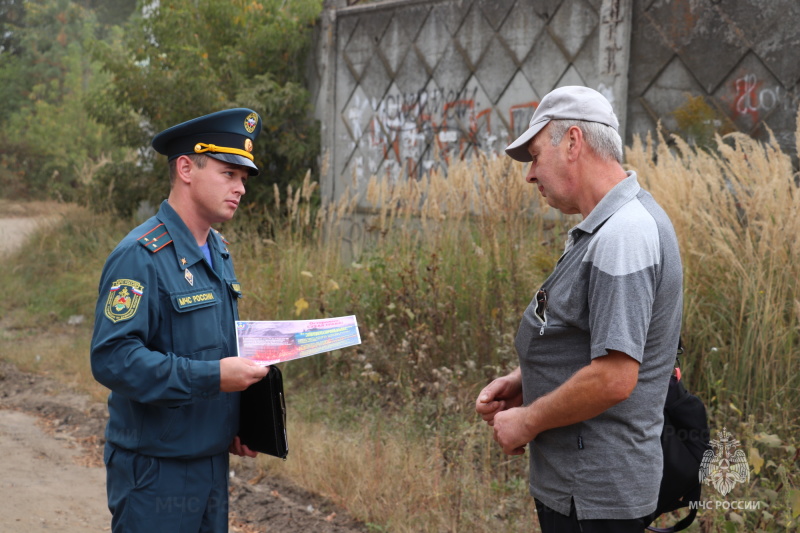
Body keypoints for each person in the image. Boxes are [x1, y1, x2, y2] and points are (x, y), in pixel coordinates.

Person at [475, 86, 683, 532]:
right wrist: (525, 381)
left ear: (573, 142)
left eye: (534, 155)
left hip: (595, 499)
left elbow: (613, 377)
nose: (530, 175)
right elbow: (591, 342)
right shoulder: (611, 225)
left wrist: (528, 421)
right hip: (584, 493)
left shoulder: (623, 236)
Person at [91, 108, 270, 533]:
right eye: (229, 174)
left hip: (209, 459)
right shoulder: (140, 255)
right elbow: (113, 359)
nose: (240, 188)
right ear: (186, 168)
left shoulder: (218, 250)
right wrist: (212, 378)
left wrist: (235, 421)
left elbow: (213, 347)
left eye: (244, 178)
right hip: (156, 469)